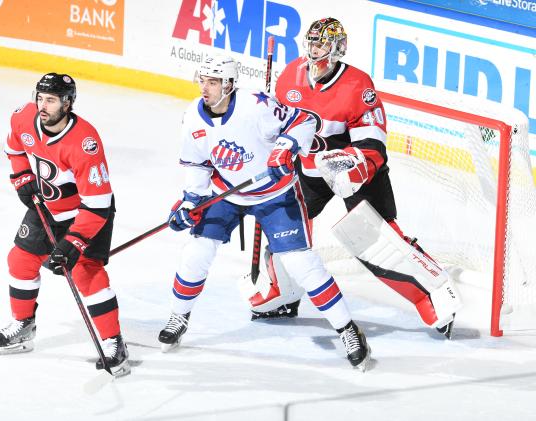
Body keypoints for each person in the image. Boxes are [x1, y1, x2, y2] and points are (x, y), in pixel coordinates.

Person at [158, 54, 371, 370]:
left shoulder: (256, 105)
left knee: (302, 264)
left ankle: (347, 330)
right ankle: (179, 315)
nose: (205, 87)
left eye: (213, 82)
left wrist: (286, 147)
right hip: (225, 193)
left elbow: (305, 120)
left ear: (229, 84)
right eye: (202, 80)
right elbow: (197, 165)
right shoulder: (192, 117)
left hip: (275, 194)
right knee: (196, 252)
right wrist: (191, 202)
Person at [250, 18, 459, 339]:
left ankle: (433, 291)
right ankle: (284, 291)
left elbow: (373, 144)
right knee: (282, 221)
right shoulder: (290, 76)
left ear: (337, 49)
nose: (314, 49)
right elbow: (280, 124)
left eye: (321, 44)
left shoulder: (358, 86)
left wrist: (352, 167)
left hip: (354, 169)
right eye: (312, 42)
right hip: (309, 168)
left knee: (373, 238)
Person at [0, 73, 130, 376]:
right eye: (40, 97)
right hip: (47, 207)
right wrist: (22, 176)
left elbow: (98, 203)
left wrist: (73, 242)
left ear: (67, 103)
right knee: (21, 259)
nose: (42, 105)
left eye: (50, 100)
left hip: (87, 214)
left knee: (85, 272)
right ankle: (24, 326)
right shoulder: (24, 118)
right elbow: (14, 148)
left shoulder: (85, 142)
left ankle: (113, 342)